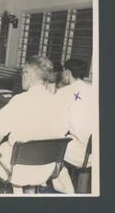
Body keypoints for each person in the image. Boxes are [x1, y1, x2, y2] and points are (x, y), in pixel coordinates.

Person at [0, 56, 67, 192]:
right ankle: (29, 191)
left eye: (23, 73)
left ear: (29, 75)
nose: (21, 77)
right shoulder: (60, 103)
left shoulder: (20, 101)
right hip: (47, 168)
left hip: (17, 169)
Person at [52, 59, 93, 193]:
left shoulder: (64, 92)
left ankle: (63, 189)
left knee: (46, 146)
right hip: (93, 153)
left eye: (63, 71)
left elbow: (56, 123)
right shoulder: (93, 89)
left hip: (75, 153)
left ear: (68, 72)